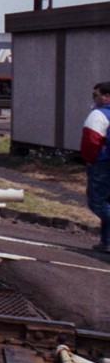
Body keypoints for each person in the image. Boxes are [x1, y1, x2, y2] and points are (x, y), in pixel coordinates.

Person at [82, 80, 110, 254]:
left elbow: (91, 141)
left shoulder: (99, 114)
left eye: (96, 95)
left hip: (103, 163)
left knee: (97, 202)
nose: (93, 98)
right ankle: (107, 242)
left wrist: (90, 160)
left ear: (107, 97)